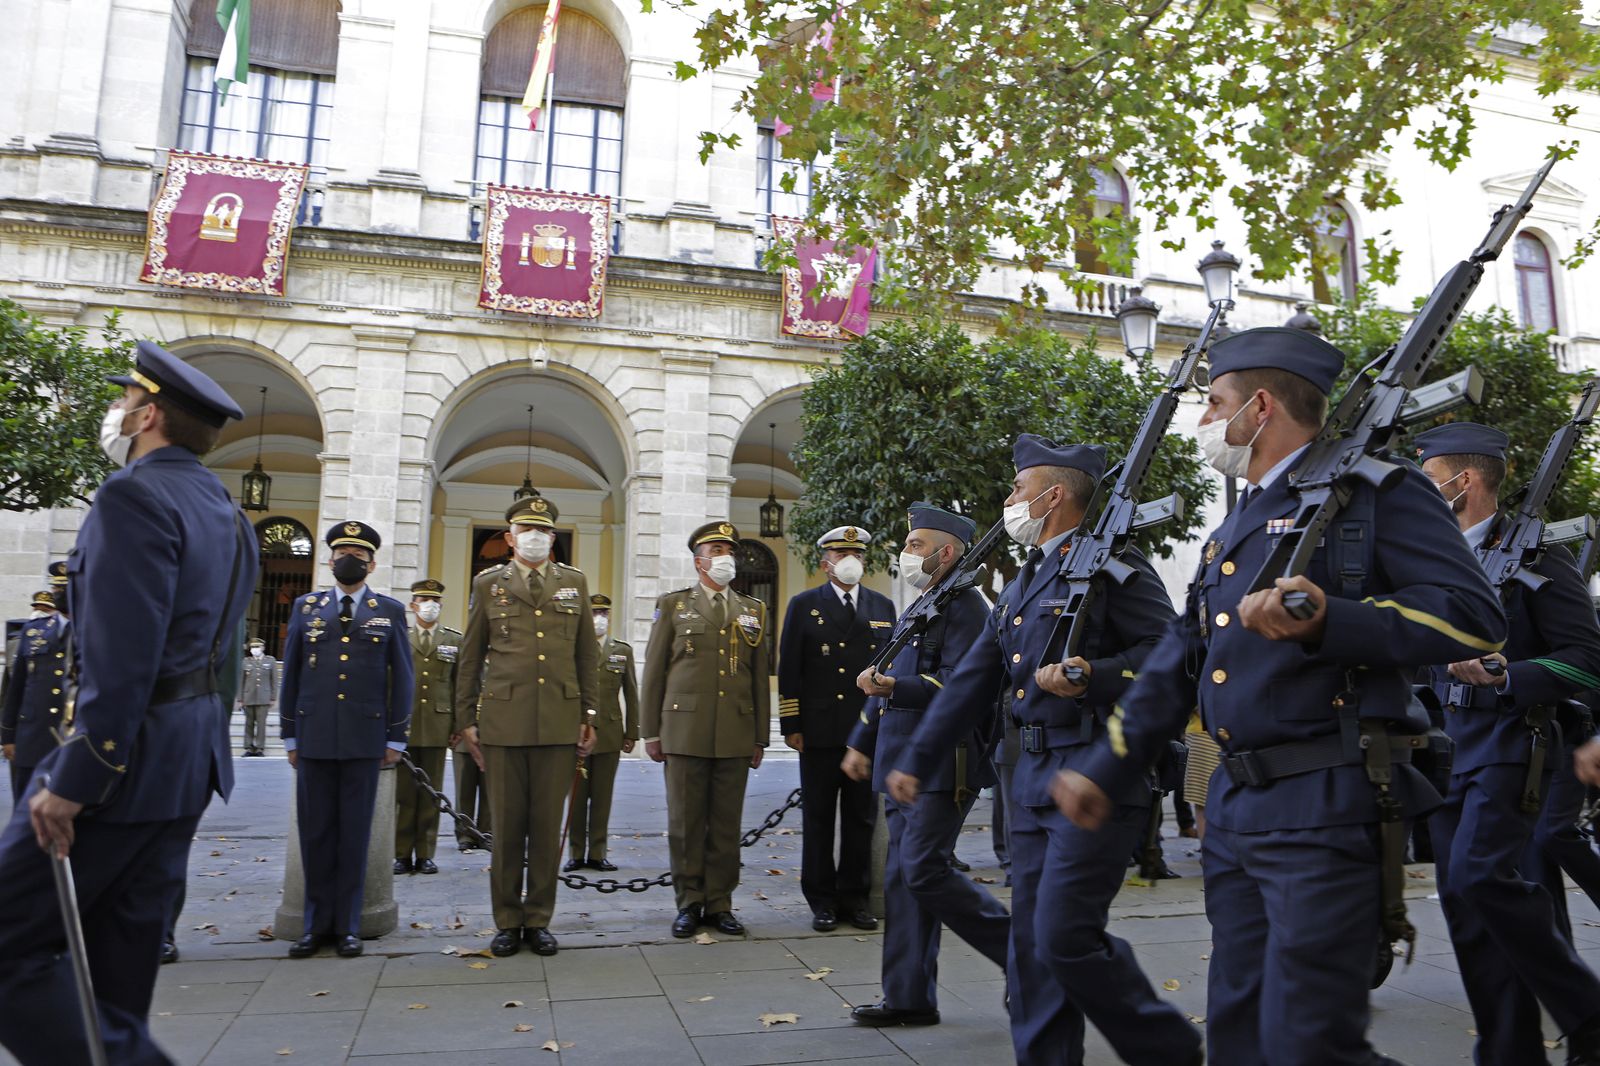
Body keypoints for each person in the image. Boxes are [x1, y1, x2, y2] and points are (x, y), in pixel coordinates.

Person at [1051, 327, 1508, 1066]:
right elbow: (1180, 659)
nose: (1207, 419)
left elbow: (1473, 617)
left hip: (1325, 801)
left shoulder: (1377, 493)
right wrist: (1106, 766)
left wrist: (1332, 618)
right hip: (1236, 808)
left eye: (1215, 402)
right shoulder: (1237, 525)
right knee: (1240, 1035)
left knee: (1311, 1045)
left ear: (1259, 407)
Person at [890, 438, 1202, 1065]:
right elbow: (972, 682)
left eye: (1017, 489)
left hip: (1095, 777)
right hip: (1031, 781)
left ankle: (1169, 1048)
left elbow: (1173, 656)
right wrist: (916, 760)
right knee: (1032, 951)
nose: (1008, 501)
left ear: (1053, 496)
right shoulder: (1024, 583)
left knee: (1065, 937)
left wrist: (1095, 674)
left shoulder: (1116, 567)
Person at [0, 340, 256, 1064]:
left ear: (148, 416)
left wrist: (76, 777)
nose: (114, 410)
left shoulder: (132, 495)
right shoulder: (227, 509)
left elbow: (123, 655)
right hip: (188, 758)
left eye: (124, 400)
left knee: (9, 948)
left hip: (122, 760)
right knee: (117, 963)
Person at [1412, 421, 1600, 1063]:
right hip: (1444, 751)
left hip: (1512, 743)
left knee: (1482, 877)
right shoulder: (1428, 563)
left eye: (1428, 478)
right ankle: (1509, 1051)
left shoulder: (1537, 559)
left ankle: (1589, 1014)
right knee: (1467, 907)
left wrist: (1508, 674)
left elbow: (1587, 661)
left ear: (1464, 482)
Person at [842, 502, 1009, 1027]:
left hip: (943, 763)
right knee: (903, 878)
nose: (906, 553)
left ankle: (1024, 955)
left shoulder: (967, 607)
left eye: (916, 545)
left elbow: (965, 686)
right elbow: (886, 675)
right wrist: (861, 742)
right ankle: (908, 996)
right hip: (902, 758)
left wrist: (897, 687)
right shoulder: (924, 603)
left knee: (923, 870)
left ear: (948, 552)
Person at [454, 496, 597, 958]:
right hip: (503, 723)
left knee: (545, 827)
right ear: (510, 538)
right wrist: (466, 719)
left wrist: (589, 714)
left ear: (552, 538)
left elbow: (586, 655)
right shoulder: (488, 584)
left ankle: (537, 919)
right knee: (507, 828)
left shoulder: (573, 583)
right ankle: (506, 920)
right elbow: (471, 657)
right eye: (525, 530)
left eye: (542, 530)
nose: (534, 537)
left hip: (559, 721)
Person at [279, 521, 414, 959]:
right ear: (330, 560)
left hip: (364, 738)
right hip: (314, 736)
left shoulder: (388, 610)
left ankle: (348, 926)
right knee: (315, 833)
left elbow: (403, 679)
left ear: (371, 564)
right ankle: (314, 925)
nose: (348, 561)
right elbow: (291, 673)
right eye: (341, 555)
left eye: (357, 556)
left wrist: (397, 738)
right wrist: (289, 735)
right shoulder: (306, 607)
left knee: (354, 835)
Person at [640, 521, 770, 939]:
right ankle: (689, 902)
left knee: (726, 825)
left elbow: (758, 675)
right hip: (684, 730)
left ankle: (720, 903)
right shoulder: (673, 605)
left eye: (728, 550)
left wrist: (760, 735)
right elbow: (655, 672)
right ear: (699, 561)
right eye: (716, 550)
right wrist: (650, 732)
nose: (725, 557)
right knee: (685, 823)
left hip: (735, 729)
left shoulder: (753, 610)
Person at [777, 524, 896, 931]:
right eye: (843, 555)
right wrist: (791, 723)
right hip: (819, 731)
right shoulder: (804, 605)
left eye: (857, 555)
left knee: (862, 819)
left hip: (865, 732)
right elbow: (790, 668)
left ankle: (855, 898)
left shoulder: (882, 606)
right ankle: (822, 901)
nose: (851, 561)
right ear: (826, 563)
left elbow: (890, 666)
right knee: (819, 819)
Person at [566, 594, 639, 872]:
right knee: (576, 798)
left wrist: (632, 732)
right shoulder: (573, 648)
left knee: (602, 798)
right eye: (595, 612)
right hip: (577, 733)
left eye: (604, 613)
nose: (599, 618)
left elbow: (631, 693)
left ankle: (597, 852)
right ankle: (576, 853)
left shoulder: (622, 651)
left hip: (609, 733)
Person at [395, 578, 461, 875]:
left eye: (435, 601)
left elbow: (460, 686)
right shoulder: (400, 637)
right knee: (404, 794)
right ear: (413, 605)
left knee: (431, 794)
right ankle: (401, 853)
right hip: (405, 725)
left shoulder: (453, 641)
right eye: (424, 600)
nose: (430, 606)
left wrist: (458, 724)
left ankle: (425, 854)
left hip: (438, 724)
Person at [1, 587, 70, 801]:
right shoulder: (32, 632)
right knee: (26, 804)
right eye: (57, 587)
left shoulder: (97, 631)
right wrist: (8, 735)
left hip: (74, 738)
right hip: (33, 736)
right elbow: (15, 687)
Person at [237, 637, 279, 757]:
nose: (254, 649)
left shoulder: (270, 661)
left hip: (264, 697)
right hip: (248, 696)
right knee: (249, 723)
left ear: (263, 648)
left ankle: (260, 747)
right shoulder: (246, 661)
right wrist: (240, 698)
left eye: (257, 647)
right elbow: (241, 681)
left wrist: (273, 697)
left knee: (261, 724)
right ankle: (249, 747)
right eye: (252, 647)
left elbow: (274, 681)